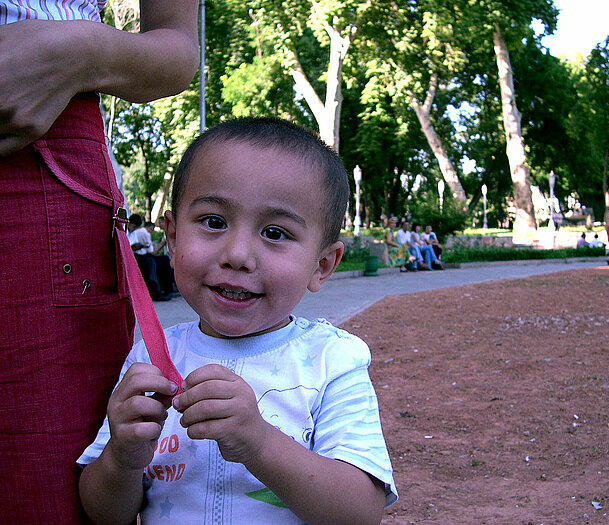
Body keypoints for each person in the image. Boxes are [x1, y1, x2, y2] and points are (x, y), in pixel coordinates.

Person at [78, 118, 398, 524]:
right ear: (173, 240)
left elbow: (360, 513)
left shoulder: (332, 361)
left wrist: (259, 442)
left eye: (275, 232)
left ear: (322, 265)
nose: (238, 254)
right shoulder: (151, 360)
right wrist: (122, 458)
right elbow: (105, 513)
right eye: (214, 222)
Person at [0, 3, 199, 522]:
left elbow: (178, 48)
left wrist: (77, 49)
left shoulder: (332, 362)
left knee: (37, 494)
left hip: (30, 139)